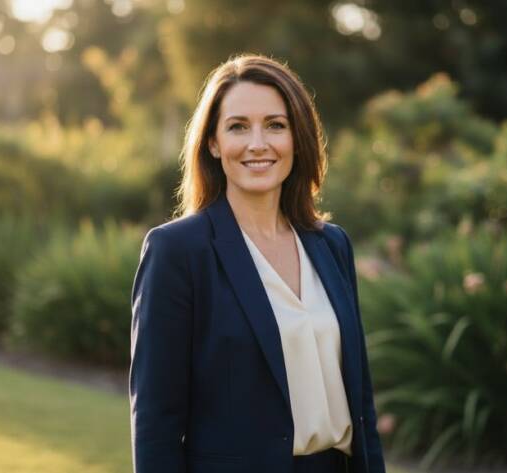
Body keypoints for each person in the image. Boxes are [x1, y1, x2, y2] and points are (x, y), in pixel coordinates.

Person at [129, 54, 385, 473]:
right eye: (238, 127)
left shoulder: (332, 245)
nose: (258, 143)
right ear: (213, 143)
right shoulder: (178, 251)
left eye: (275, 125)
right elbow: (156, 422)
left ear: (297, 138)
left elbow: (362, 403)